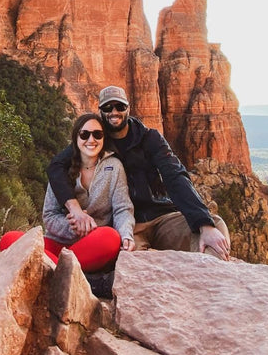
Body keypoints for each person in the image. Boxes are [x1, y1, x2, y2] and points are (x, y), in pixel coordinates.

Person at [47, 86, 231, 260]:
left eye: (119, 106)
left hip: (162, 217)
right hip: (128, 226)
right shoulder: (96, 139)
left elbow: (175, 175)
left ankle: (212, 283)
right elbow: (56, 166)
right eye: (107, 107)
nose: (114, 112)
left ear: (128, 107)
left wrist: (203, 222)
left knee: (215, 226)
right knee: (124, 258)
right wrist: (75, 209)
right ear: (101, 111)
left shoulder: (150, 138)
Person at [0, 112, 135, 271]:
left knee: (111, 238)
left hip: (91, 244)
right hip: (57, 243)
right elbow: (49, 215)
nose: (91, 140)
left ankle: (49, 268)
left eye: (97, 134)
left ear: (104, 138)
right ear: (76, 139)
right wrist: (73, 226)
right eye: (84, 134)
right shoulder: (62, 169)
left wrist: (126, 235)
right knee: (9, 239)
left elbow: (122, 208)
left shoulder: (114, 167)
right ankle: (65, 271)